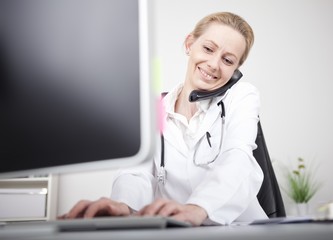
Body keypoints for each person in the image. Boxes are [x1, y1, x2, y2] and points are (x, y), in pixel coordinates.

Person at [60, 11, 268, 226]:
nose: (214, 64)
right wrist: (124, 205)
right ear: (189, 44)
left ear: (235, 71)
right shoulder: (154, 108)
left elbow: (238, 158)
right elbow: (136, 172)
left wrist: (199, 208)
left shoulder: (241, 95)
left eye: (227, 60)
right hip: (177, 230)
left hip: (238, 229)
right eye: (208, 48)